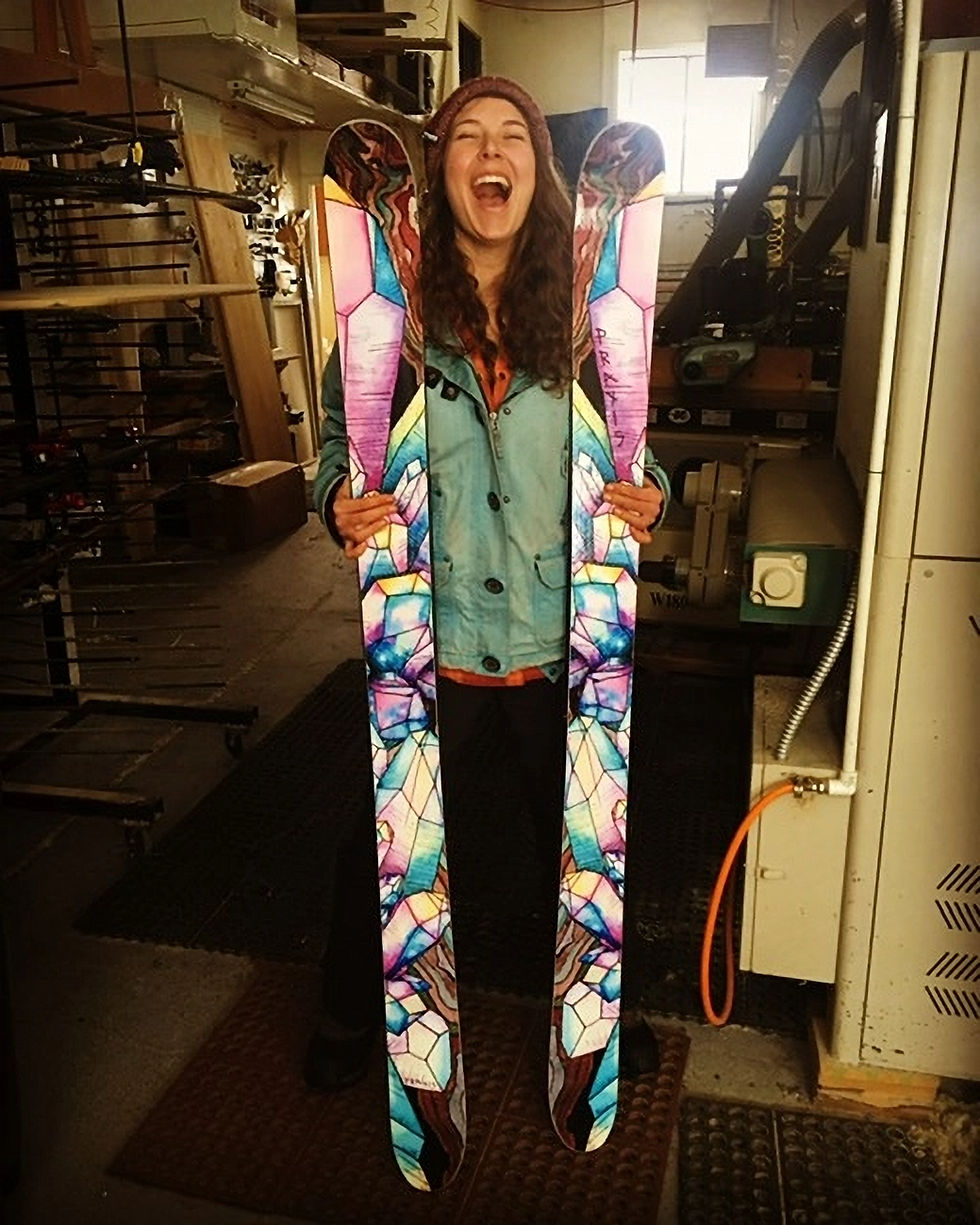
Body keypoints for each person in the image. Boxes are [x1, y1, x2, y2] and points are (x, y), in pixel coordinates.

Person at [305, 76, 669, 1091]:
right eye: (467, 136)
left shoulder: (590, 315)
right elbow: (338, 444)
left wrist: (654, 495)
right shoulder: (392, 319)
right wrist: (338, 493)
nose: (489, 151)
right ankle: (347, 1020)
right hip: (437, 638)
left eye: (512, 134)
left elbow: (633, 452)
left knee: (591, 851)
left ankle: (599, 1016)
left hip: (565, 638)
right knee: (384, 853)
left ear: (539, 173)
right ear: (441, 172)